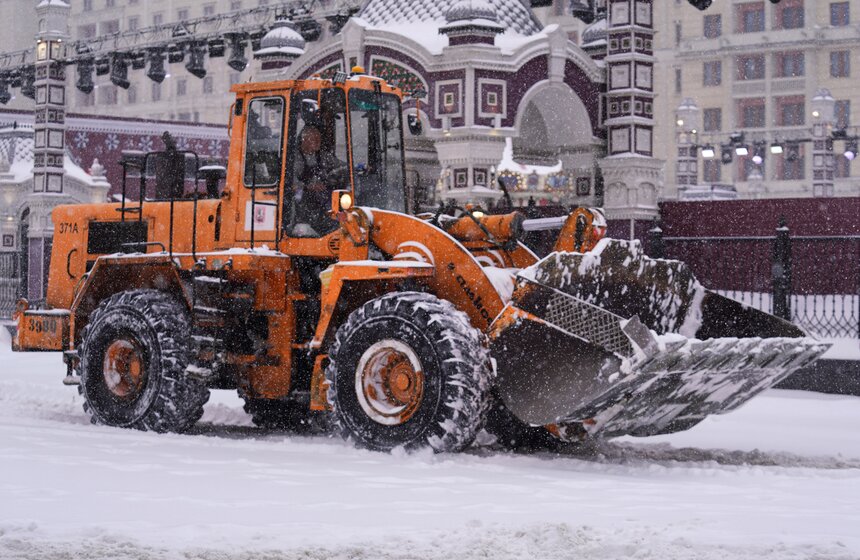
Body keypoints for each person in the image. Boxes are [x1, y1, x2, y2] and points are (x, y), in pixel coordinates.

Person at [291, 125, 347, 237]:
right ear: (304, 140)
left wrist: (350, 168)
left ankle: (334, 226)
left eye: (319, 139)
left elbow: (342, 166)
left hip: (322, 197)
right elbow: (291, 183)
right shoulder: (296, 158)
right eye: (314, 139)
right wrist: (308, 186)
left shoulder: (322, 156)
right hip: (302, 199)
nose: (318, 141)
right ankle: (304, 227)